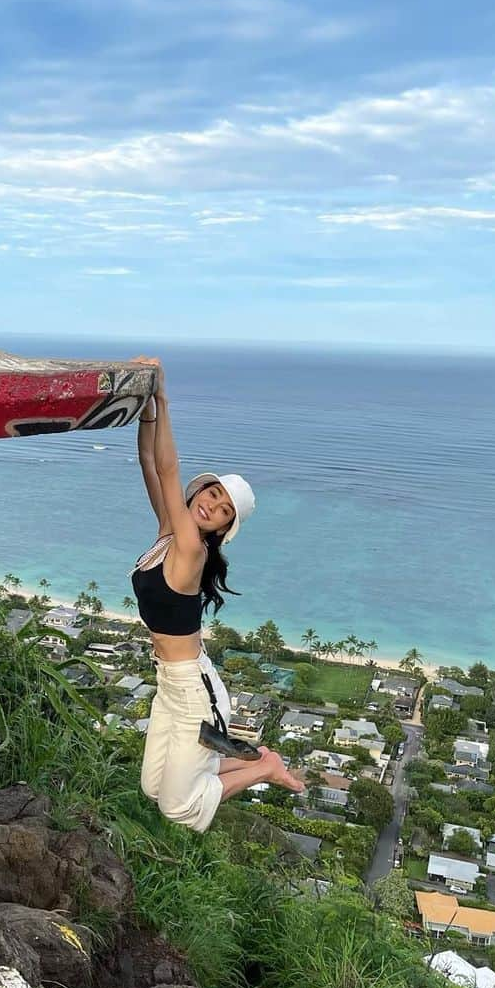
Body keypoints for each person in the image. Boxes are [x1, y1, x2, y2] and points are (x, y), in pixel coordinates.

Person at [129, 356, 303, 831]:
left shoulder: (190, 549)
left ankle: (265, 767)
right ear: (200, 491)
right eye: (213, 494)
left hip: (194, 693)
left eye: (223, 509)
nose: (212, 505)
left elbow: (168, 468)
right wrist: (145, 405)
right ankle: (249, 757)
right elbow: (149, 462)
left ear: (224, 527)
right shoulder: (169, 531)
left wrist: (162, 395)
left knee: (178, 808)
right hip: (170, 682)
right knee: (152, 787)